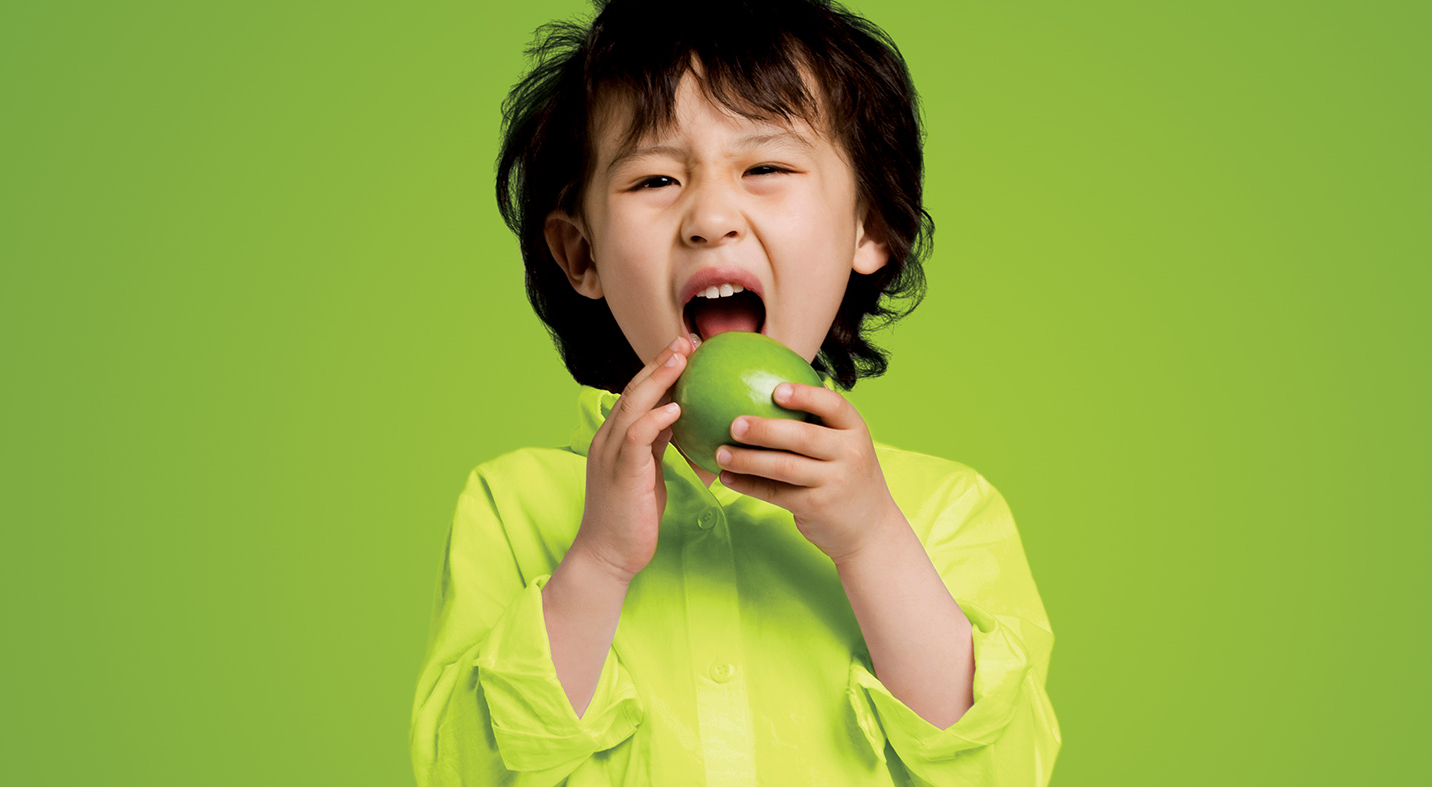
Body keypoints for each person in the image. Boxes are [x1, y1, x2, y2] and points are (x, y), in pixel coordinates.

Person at [411, 1, 1062, 783]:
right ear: (580, 253)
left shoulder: (949, 511)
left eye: (766, 168)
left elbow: (998, 763)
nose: (710, 217)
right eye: (655, 178)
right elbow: (468, 767)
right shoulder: (513, 507)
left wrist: (871, 538)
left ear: (869, 228)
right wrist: (599, 561)